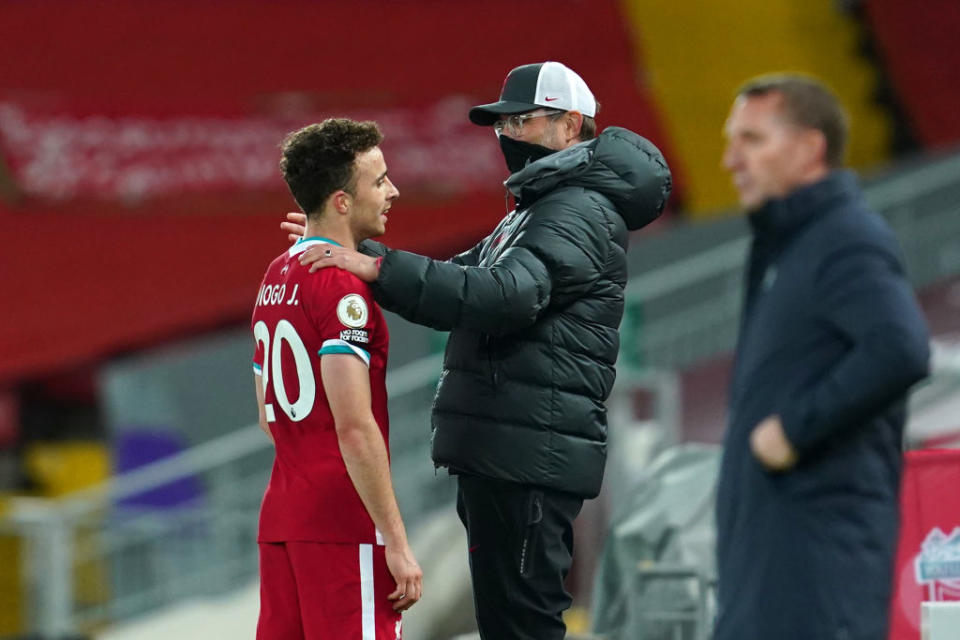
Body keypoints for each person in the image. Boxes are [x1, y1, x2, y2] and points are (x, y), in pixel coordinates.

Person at [285, 61, 672, 639]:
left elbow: (504, 296)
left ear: (571, 124)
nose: (507, 135)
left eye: (522, 121)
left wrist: (377, 265)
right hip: (513, 448)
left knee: (523, 624)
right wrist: (355, 247)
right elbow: (463, 277)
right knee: (509, 622)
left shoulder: (577, 210)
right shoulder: (543, 207)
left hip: (529, 453)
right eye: (502, 124)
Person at [716, 73, 930, 640]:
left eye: (752, 140)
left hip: (816, 567)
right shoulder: (791, 248)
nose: (731, 160)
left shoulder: (846, 239)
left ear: (811, 149)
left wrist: (794, 429)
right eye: (731, 140)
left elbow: (901, 347)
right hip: (772, 561)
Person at [251, 118, 422, 639]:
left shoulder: (275, 276)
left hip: (283, 516)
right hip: (343, 524)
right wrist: (395, 539)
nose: (392, 191)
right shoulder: (342, 289)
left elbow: (267, 417)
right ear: (342, 202)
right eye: (379, 181)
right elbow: (353, 426)